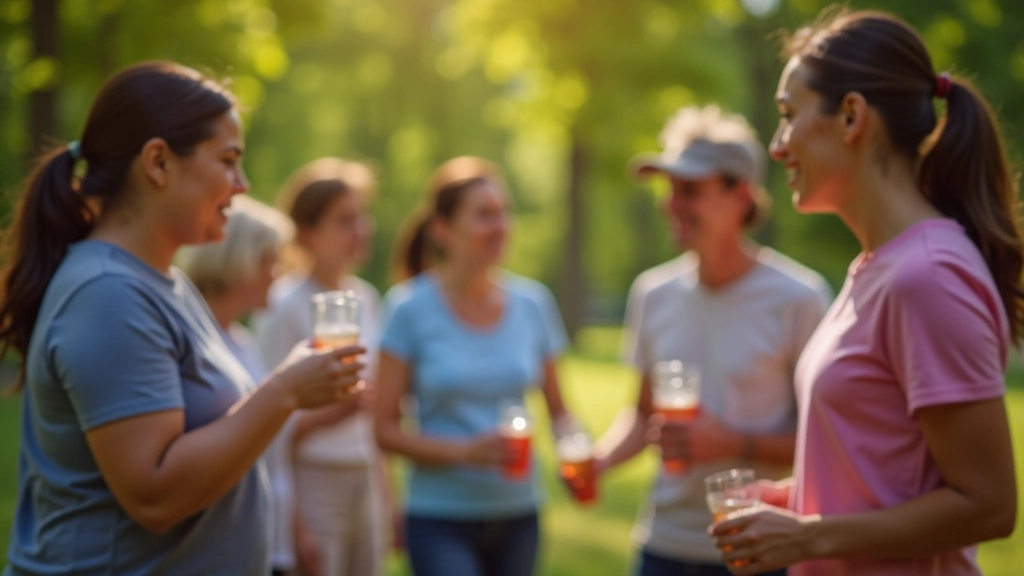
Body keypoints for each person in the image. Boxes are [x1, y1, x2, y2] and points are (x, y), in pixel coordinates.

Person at [0, 62, 363, 576]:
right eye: (228, 160)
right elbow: (155, 497)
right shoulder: (108, 294)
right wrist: (284, 392)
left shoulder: (161, 281)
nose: (243, 184)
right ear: (158, 162)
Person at [711, 9, 1020, 575]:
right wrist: (793, 499)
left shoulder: (927, 277)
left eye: (788, 116)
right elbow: (884, 468)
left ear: (852, 116)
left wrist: (808, 536)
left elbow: (989, 505)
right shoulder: (876, 268)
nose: (778, 146)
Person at [595, 105, 831, 576]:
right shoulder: (652, 294)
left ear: (740, 195)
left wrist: (729, 442)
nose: (670, 203)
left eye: (689, 191)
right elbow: (643, 416)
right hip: (662, 546)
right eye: (669, 189)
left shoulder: (799, 298)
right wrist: (596, 463)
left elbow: (826, 444)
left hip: (759, 546)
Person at [374, 156, 578, 576]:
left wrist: (577, 449)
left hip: (520, 513)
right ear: (442, 229)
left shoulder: (533, 304)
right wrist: (464, 452)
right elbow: (382, 429)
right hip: (438, 517)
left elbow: (560, 412)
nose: (499, 225)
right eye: (484, 215)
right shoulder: (407, 308)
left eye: (503, 213)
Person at [253, 158, 392, 576]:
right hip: (311, 480)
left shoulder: (365, 298)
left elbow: (376, 411)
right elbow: (262, 421)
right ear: (308, 233)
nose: (361, 230)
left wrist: (388, 498)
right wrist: (293, 526)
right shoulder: (282, 303)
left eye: (361, 217)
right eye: (344, 221)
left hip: (363, 476)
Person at [176, 195, 299, 576]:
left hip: (266, 534)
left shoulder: (242, 340)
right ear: (237, 259)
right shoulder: (192, 340)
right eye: (269, 260)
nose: (277, 274)